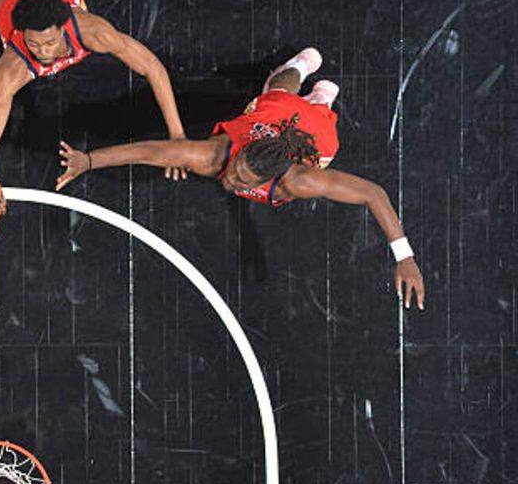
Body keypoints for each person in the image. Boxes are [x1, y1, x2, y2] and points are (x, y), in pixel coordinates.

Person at [55, 47, 426, 309]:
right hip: (271, 117)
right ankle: (301, 65)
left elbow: (373, 193)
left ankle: (322, 103)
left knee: (318, 122)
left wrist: (404, 257)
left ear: (270, 179)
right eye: (235, 170)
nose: (230, 179)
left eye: (240, 179)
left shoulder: (300, 180)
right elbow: (147, 152)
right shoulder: (213, 155)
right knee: (277, 89)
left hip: (315, 137)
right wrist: (87, 161)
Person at [0, 0, 186, 179]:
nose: (43, 52)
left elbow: (151, 66)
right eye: (34, 44)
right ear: (23, 35)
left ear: (62, 30)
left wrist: (177, 135)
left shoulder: (94, 32)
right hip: (14, 6)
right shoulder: (13, 66)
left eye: (50, 43)